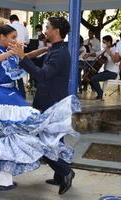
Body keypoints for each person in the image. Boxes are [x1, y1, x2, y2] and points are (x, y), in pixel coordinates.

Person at [0, 24, 81, 194]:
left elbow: (26, 56)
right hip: (0, 99)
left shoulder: (55, 52)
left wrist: (42, 51)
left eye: (15, 37)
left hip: (11, 96)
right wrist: (13, 52)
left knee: (8, 138)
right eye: (12, 37)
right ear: (2, 37)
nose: (15, 40)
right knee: (4, 138)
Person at [9, 17, 76, 195]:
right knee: (55, 142)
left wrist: (23, 58)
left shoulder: (60, 53)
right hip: (50, 101)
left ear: (56, 31)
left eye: (47, 27)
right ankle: (60, 176)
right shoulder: (55, 49)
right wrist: (23, 54)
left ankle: (66, 172)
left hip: (52, 103)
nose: (44, 30)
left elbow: (42, 75)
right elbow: (39, 63)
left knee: (43, 144)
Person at [83, 35, 119, 100]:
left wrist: (110, 53)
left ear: (109, 42)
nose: (103, 44)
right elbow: (97, 53)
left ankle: (100, 94)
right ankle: (100, 93)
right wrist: (89, 54)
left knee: (93, 78)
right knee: (89, 78)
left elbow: (116, 62)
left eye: (104, 42)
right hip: (107, 71)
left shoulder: (114, 50)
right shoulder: (106, 49)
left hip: (113, 73)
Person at [9, 14, 29, 98]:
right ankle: (22, 96)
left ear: (11, 20)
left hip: (10, 54)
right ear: (18, 19)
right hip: (21, 55)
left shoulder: (9, 27)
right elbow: (27, 42)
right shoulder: (24, 28)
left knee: (10, 75)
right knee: (19, 76)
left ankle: (11, 95)